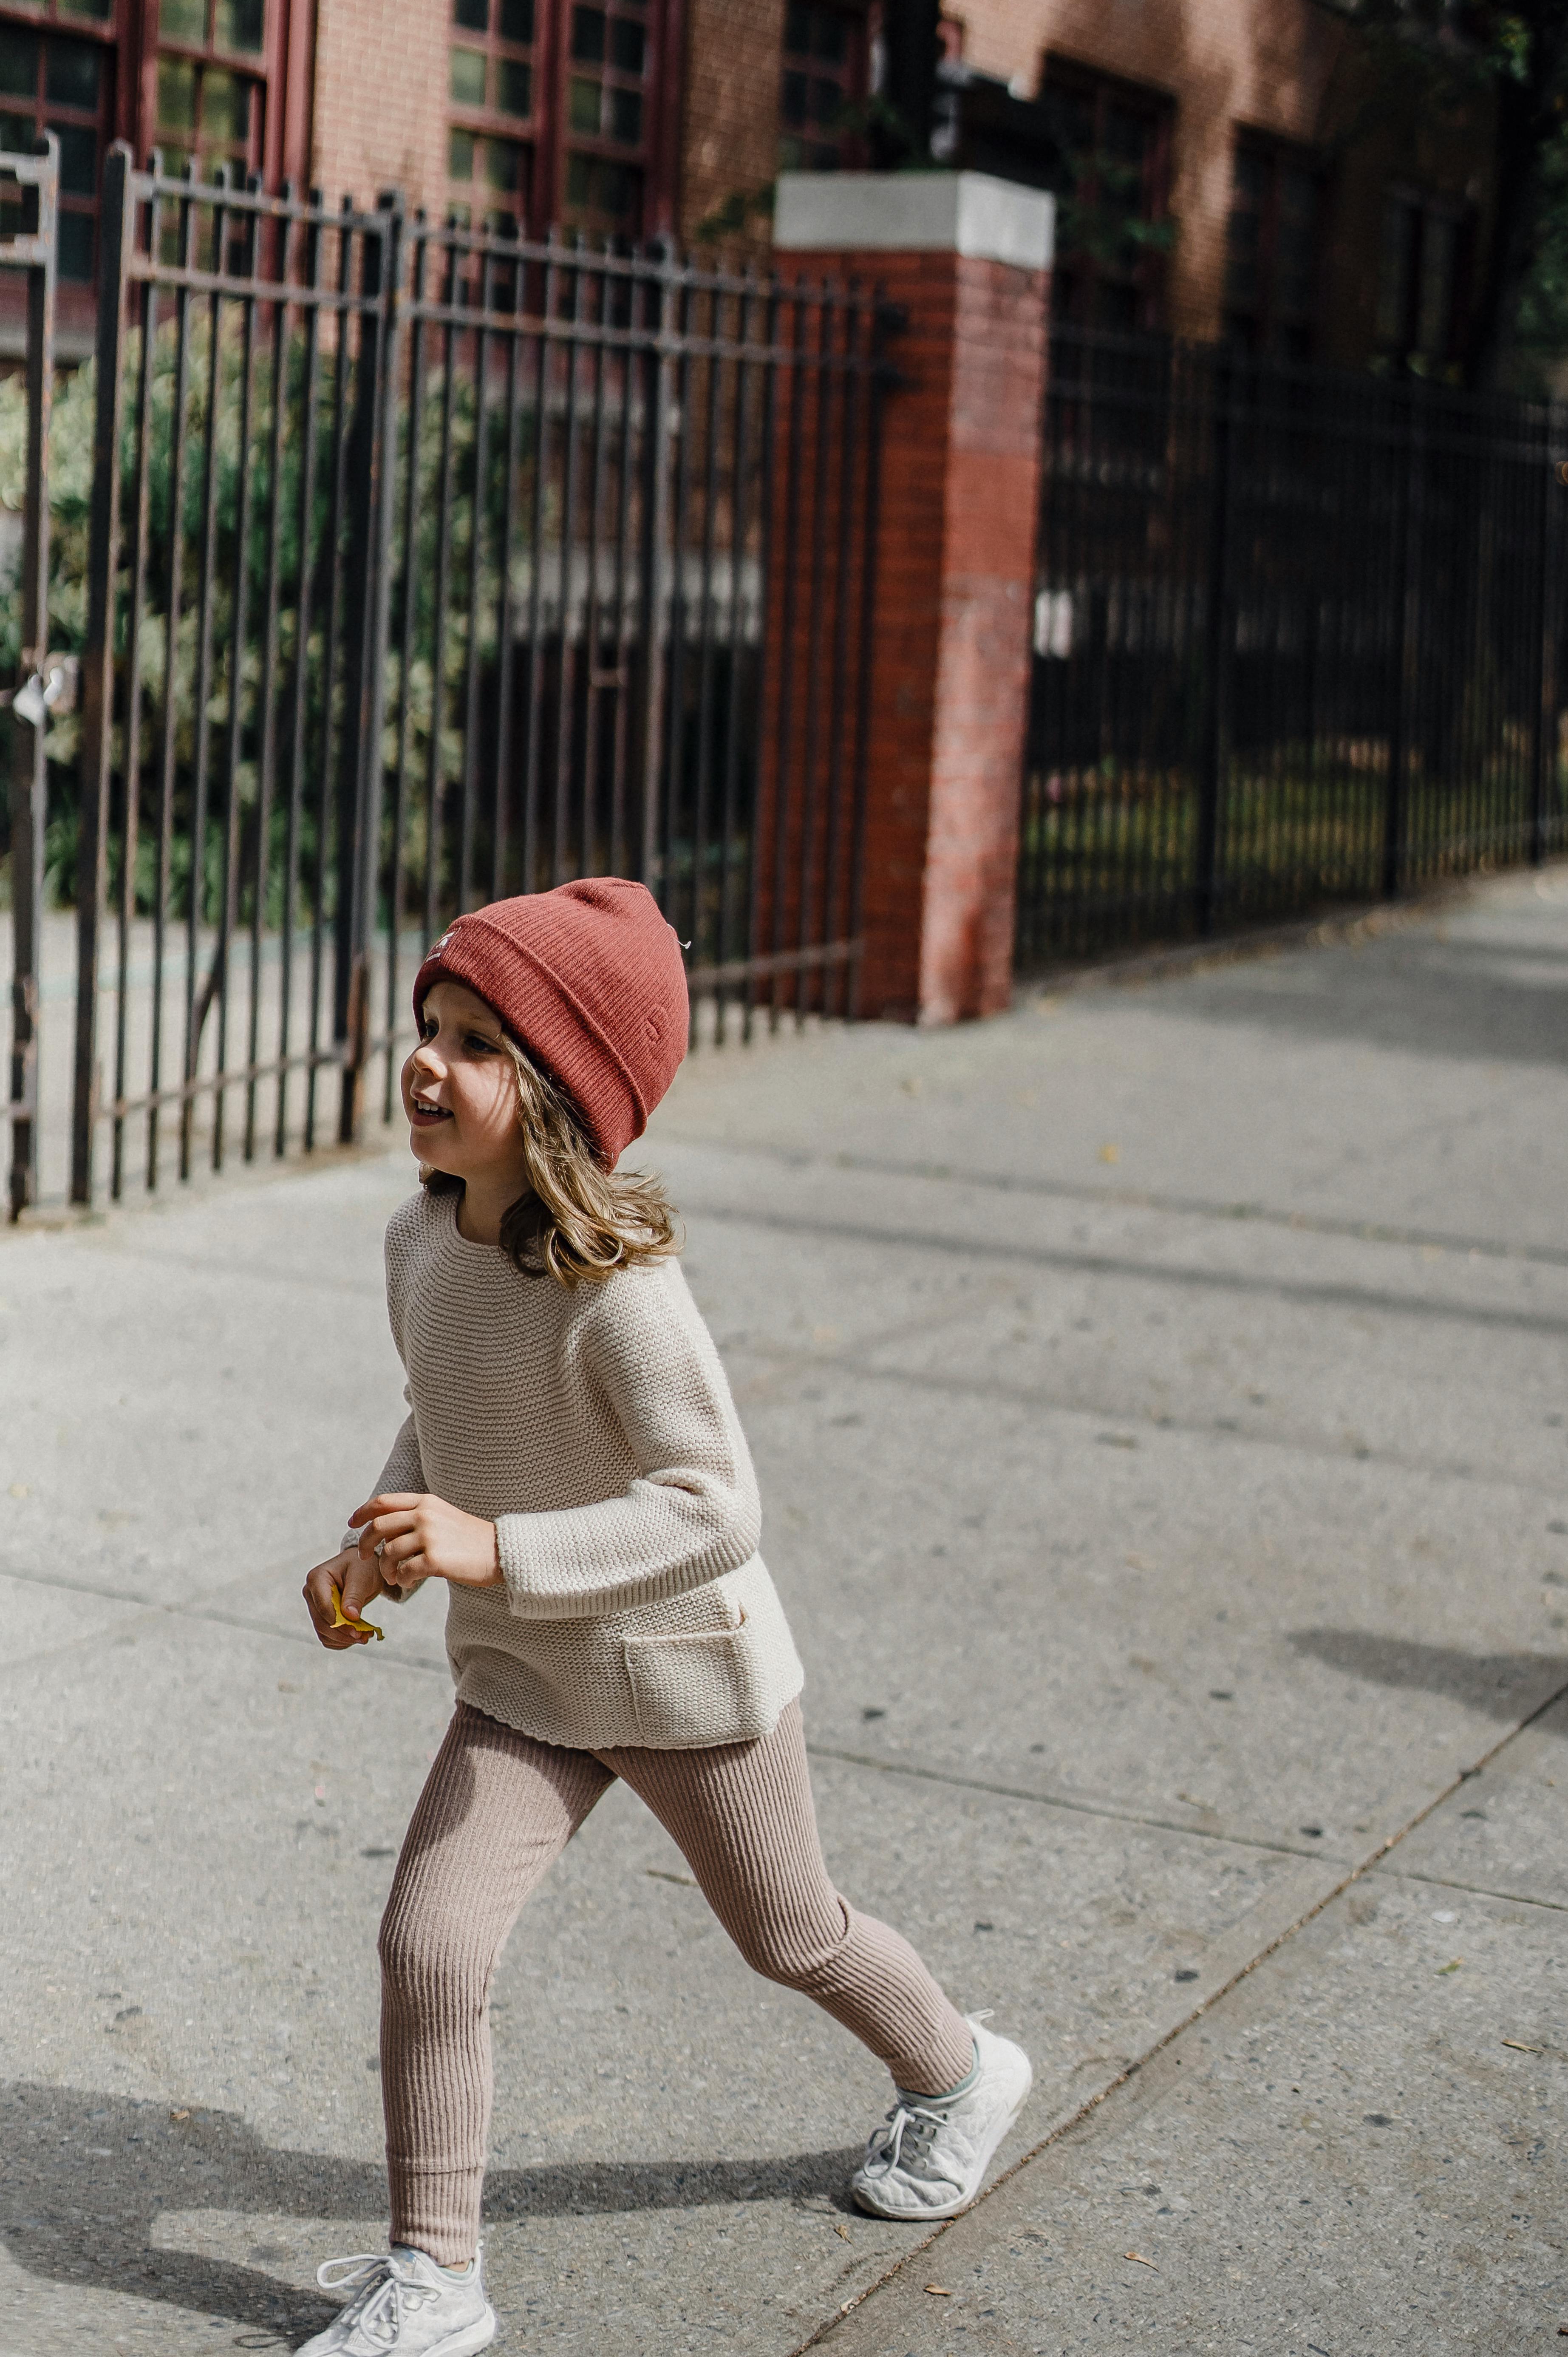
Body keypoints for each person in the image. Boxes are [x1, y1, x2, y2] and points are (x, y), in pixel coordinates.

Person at [297, 878, 1030, 2357]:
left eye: (480, 1043)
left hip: (686, 1681)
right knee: (432, 1943)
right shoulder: (417, 1245)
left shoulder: (620, 1295)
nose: (428, 1062)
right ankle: (435, 2279)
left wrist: (491, 1545)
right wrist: (380, 1543)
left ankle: (960, 2075)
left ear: (564, 1095)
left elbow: (715, 1508)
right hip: (525, 1678)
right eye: (432, 1025)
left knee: (794, 1935)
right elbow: (440, 1416)